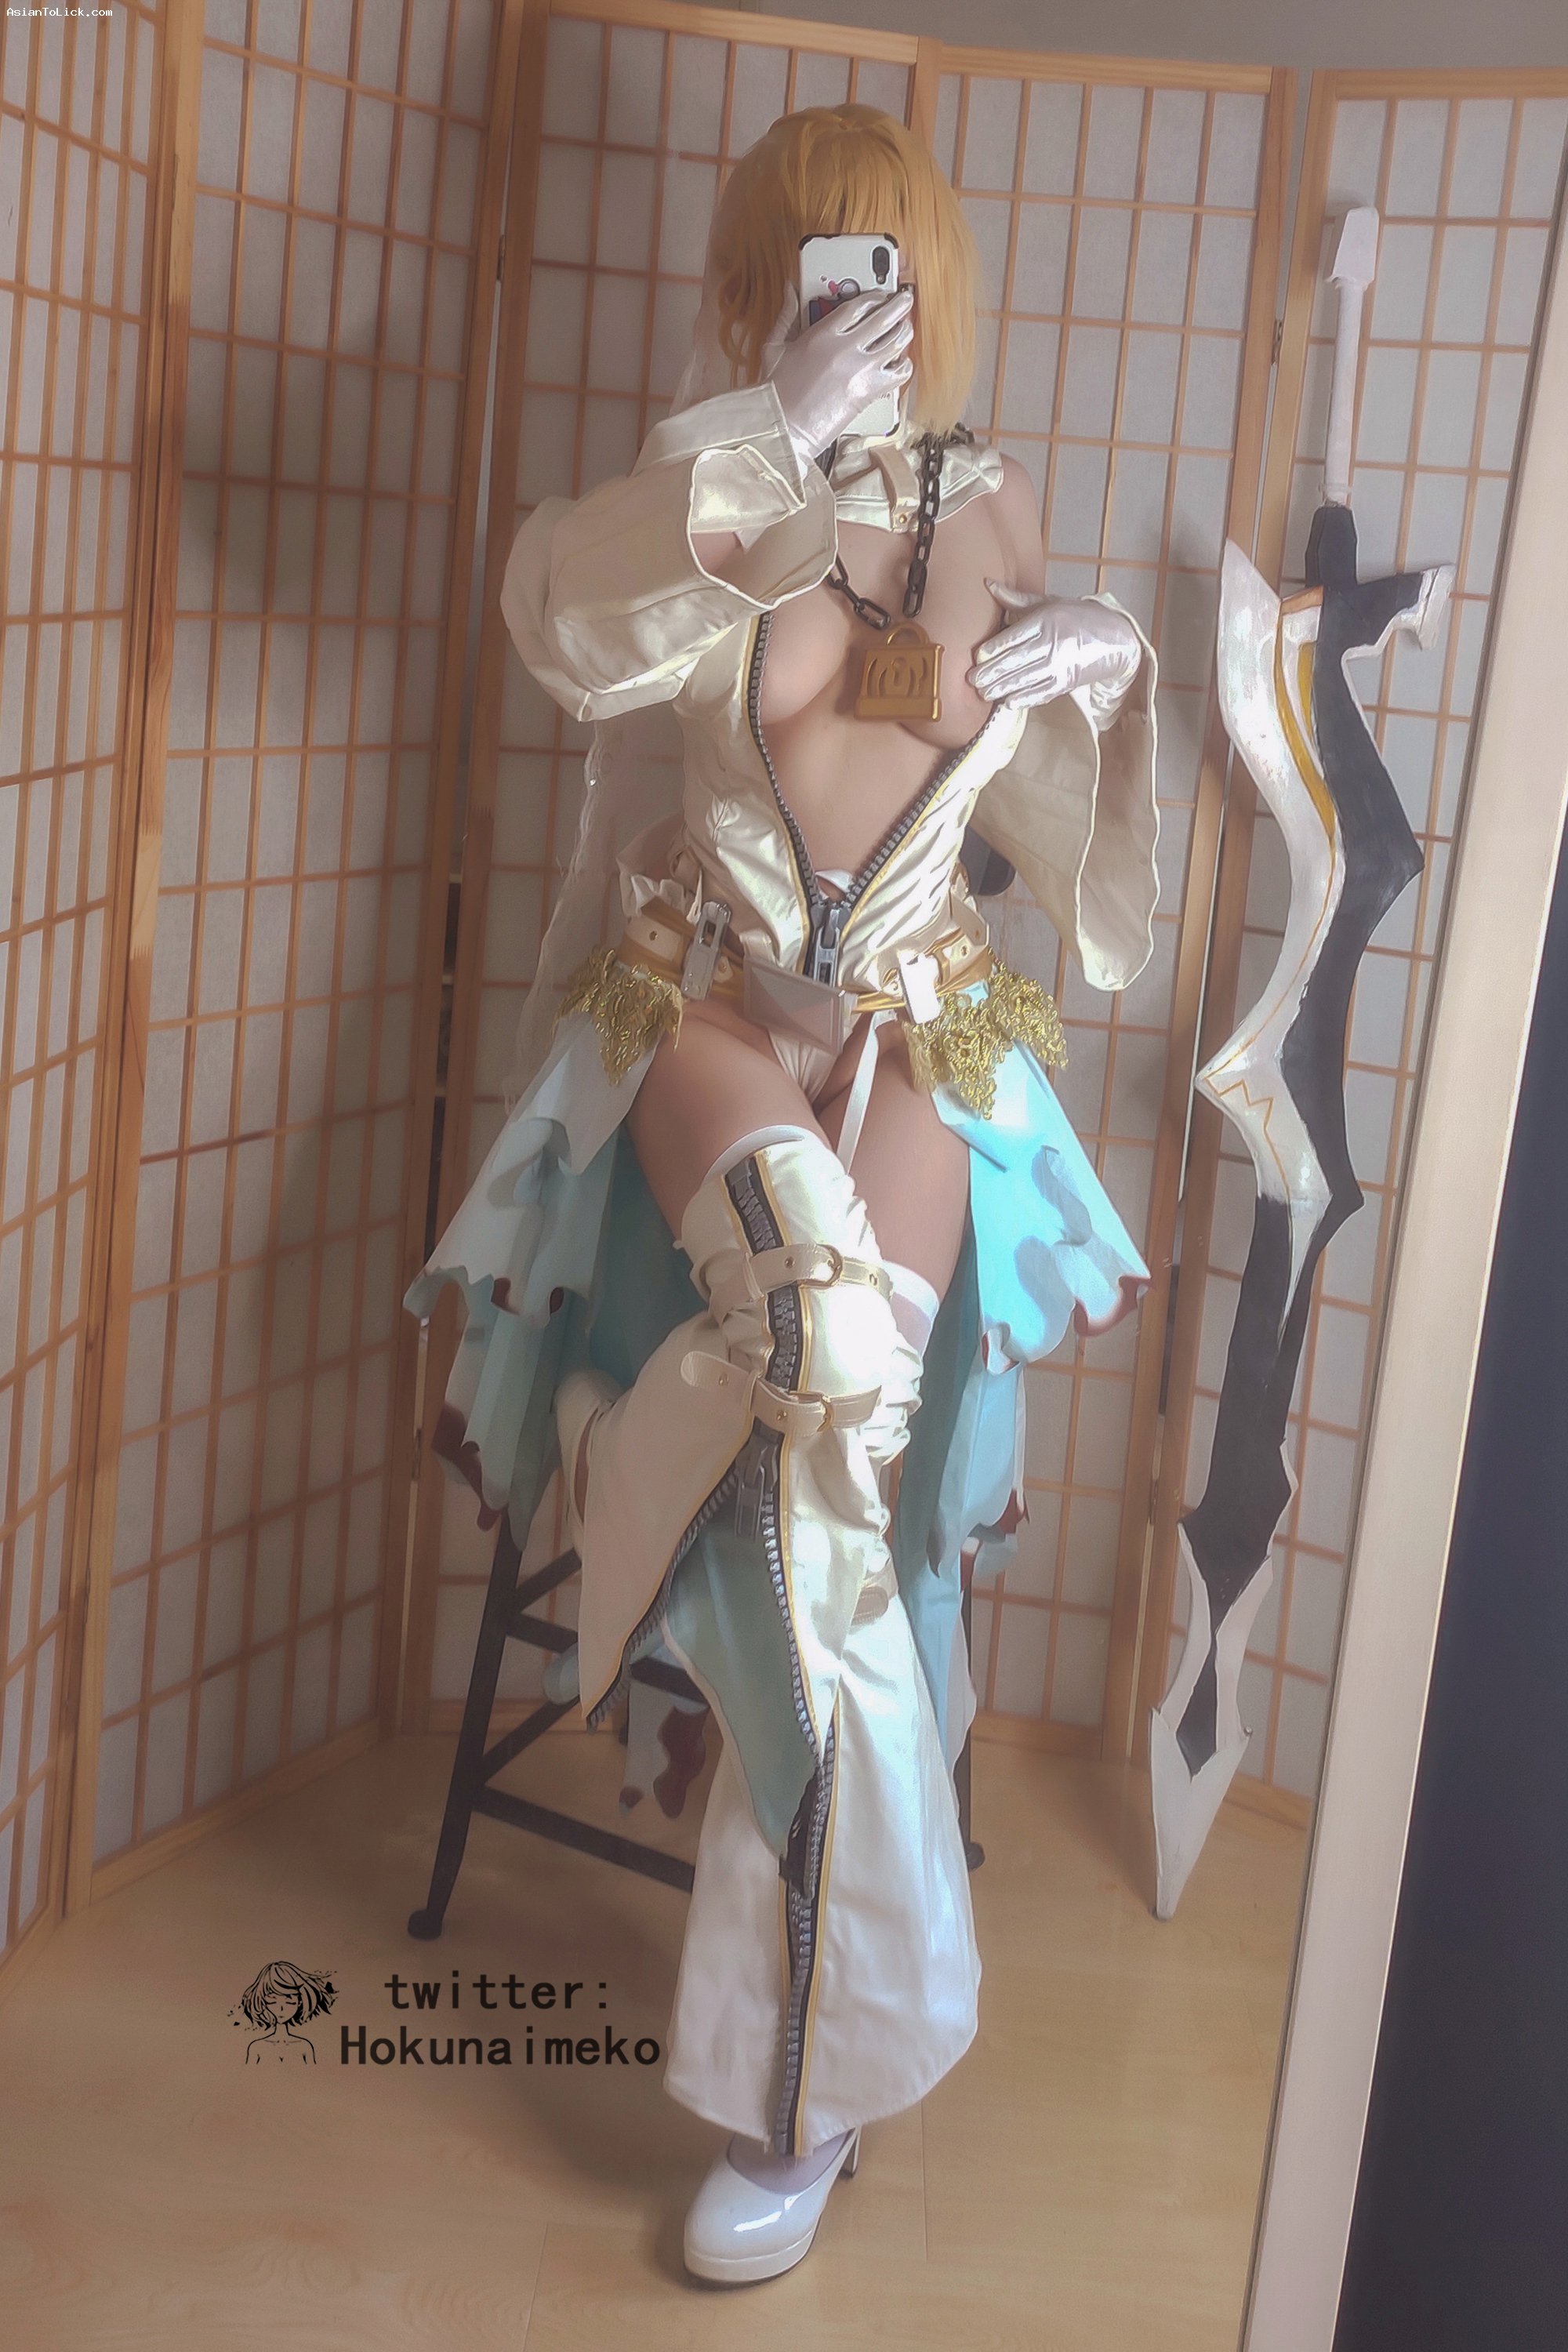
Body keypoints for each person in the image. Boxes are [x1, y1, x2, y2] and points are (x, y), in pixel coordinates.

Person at [405, 102, 1158, 2285]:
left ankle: (793, 2079)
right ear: (759, 292)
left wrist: (1103, 684)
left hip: (925, 1029)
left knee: (841, 1472)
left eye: (891, 261)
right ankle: (837, 2019)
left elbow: (1051, 857)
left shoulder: (984, 500)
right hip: (708, 1004)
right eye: (821, 263)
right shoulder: (706, 476)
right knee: (812, 1358)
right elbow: (566, 629)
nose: (863, 298)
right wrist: (759, 446)